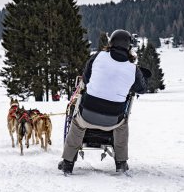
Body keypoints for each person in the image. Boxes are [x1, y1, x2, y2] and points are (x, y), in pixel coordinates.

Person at [58, 29, 148, 174]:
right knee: (122, 126)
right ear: (129, 47)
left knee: (77, 124)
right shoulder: (133, 69)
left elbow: (86, 79)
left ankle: (68, 162)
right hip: (113, 120)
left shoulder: (98, 57)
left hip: (87, 114)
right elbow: (142, 88)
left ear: (110, 42)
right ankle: (121, 163)